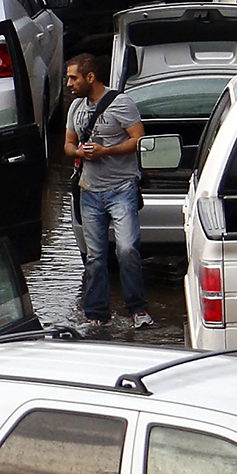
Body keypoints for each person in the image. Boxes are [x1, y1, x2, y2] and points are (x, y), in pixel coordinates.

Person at [65, 52, 150, 334]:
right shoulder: (75, 107)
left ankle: (138, 310)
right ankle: (96, 315)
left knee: (127, 250)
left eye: (73, 78)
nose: (69, 84)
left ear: (90, 77)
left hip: (122, 188)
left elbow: (138, 138)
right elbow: (67, 143)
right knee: (95, 256)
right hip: (89, 191)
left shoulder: (121, 103)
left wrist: (106, 151)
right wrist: (79, 152)